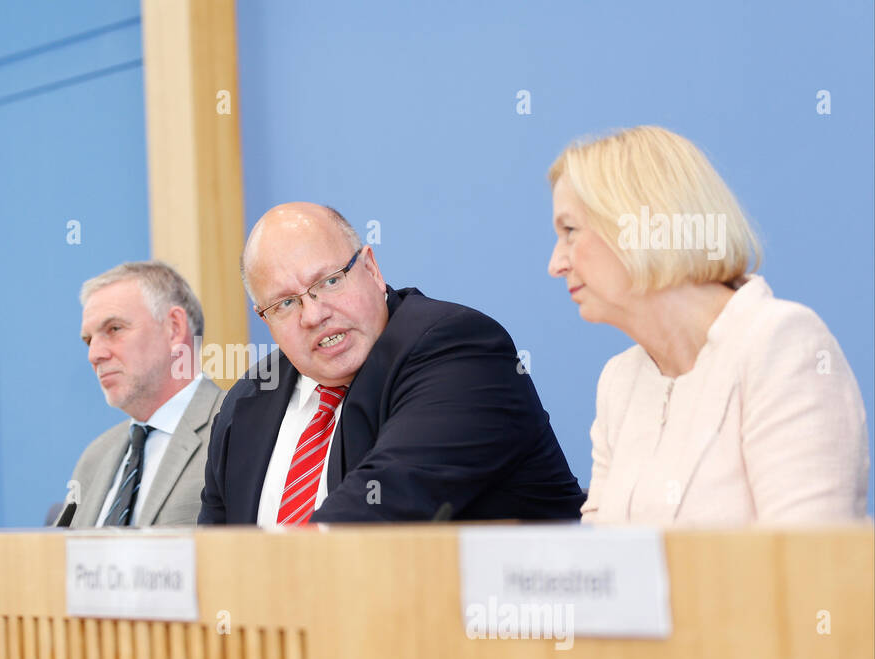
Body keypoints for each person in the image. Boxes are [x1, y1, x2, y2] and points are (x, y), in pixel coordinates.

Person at [547, 125, 869, 524]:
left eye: (571, 231)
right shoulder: (620, 380)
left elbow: (807, 567)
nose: (556, 264)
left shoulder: (783, 344)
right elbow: (603, 567)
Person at [200, 202, 585, 524]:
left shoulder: (458, 349)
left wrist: (268, 578)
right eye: (285, 303)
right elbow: (210, 557)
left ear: (371, 269)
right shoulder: (247, 402)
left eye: (330, 282)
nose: (314, 315)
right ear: (265, 320)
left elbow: (385, 504)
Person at [67, 261, 224, 527]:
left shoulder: (237, 429)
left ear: (174, 327)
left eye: (114, 329)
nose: (94, 355)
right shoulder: (95, 457)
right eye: (88, 340)